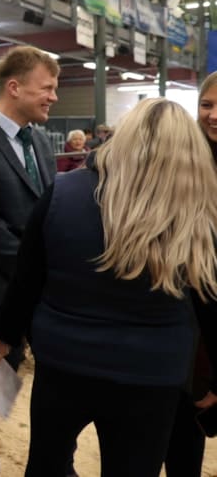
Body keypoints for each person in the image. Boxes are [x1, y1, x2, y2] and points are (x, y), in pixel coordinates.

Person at [0, 98, 217, 477]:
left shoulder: (63, 193)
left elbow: (28, 277)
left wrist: (5, 333)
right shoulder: (198, 212)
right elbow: (210, 302)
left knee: (46, 463)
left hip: (64, 361)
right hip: (151, 373)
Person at [0, 46, 60, 477]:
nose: (53, 97)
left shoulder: (38, 140)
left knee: (55, 381)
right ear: (14, 87)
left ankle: (53, 464)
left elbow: (51, 209)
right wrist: (37, 267)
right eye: (47, 88)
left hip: (41, 289)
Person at [164, 71, 217, 476]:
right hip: (187, 320)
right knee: (183, 431)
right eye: (206, 104)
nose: (213, 115)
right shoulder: (180, 160)